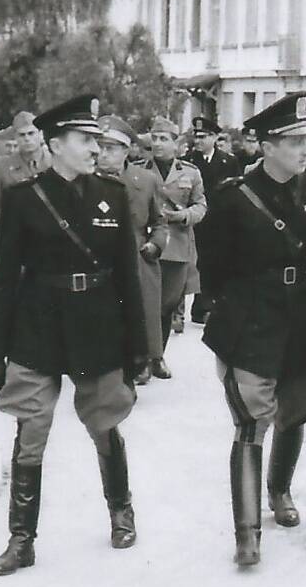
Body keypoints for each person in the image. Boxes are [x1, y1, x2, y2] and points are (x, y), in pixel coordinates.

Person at [0, 96, 150, 575]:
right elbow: (5, 281)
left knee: (104, 423)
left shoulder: (113, 195)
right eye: (85, 140)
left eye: (97, 141)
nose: (95, 149)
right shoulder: (24, 198)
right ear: (55, 145)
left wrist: (139, 347)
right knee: (31, 428)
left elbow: (128, 277)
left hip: (97, 326)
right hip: (38, 327)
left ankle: (121, 511)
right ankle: (21, 539)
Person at [196, 92, 306, 567]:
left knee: (296, 407)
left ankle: (280, 491)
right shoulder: (233, 196)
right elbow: (214, 266)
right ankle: (247, 533)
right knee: (250, 418)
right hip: (252, 317)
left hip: (304, 315)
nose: (305, 149)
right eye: (295, 142)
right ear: (267, 146)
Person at [96, 115, 169, 387]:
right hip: (99, 256)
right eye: (99, 147)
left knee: (143, 309)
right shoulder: (86, 179)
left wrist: (155, 244)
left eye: (110, 148)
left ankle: (144, 359)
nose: (103, 154)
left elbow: (159, 221)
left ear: (126, 151)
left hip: (138, 254)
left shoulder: (145, 180)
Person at [144, 116, 207, 376]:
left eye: (163, 139)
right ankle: (145, 359)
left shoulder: (190, 172)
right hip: (146, 244)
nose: (157, 143)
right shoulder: (139, 169)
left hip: (177, 246)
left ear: (175, 143)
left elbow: (201, 205)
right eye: (154, 138)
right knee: (146, 304)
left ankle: (158, 356)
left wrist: (184, 215)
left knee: (167, 305)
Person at [0, 113, 47, 327]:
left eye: (31, 133)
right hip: (13, 243)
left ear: (41, 135)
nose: (27, 139)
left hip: (48, 244)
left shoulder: (54, 162)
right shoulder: (0, 167)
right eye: (22, 135)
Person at [185, 116, 239, 325]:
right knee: (198, 263)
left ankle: (212, 306)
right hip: (197, 222)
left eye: (203, 137)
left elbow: (236, 191)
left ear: (215, 137)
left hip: (220, 223)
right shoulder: (188, 161)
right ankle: (200, 307)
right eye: (196, 137)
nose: (198, 141)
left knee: (217, 264)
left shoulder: (229, 161)